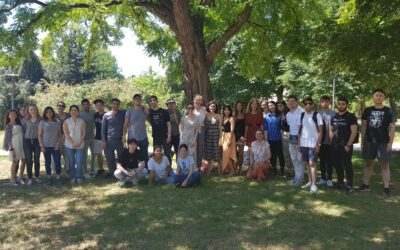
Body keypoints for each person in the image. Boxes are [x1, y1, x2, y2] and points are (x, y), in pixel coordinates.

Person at [359, 89, 396, 197]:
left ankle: (386, 188)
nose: (378, 97)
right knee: (368, 163)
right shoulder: (367, 110)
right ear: (373, 97)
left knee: (384, 165)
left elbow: (392, 128)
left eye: (380, 96)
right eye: (376, 95)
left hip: (384, 142)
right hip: (369, 142)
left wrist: (390, 143)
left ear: (383, 98)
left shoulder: (389, 111)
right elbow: (364, 126)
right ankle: (365, 185)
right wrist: (362, 139)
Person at [329, 97, 358, 193]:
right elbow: (332, 130)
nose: (341, 105)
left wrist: (348, 145)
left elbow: (354, 132)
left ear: (346, 105)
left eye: (343, 104)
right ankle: (340, 182)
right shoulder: (334, 116)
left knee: (347, 165)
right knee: (337, 165)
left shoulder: (350, 116)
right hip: (335, 145)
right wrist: (330, 143)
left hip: (345, 145)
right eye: (339, 103)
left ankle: (349, 185)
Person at [298, 97, 323, 194]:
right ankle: (309, 181)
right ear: (303, 105)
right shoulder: (301, 115)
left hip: (314, 143)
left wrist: (318, 144)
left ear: (313, 104)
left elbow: (321, 131)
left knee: (312, 163)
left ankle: (314, 184)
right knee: (307, 163)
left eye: (309, 103)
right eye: (305, 104)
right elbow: (300, 130)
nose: (308, 105)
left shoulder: (317, 115)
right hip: (303, 143)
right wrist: (298, 143)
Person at [102, 98, 126, 178]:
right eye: (114, 104)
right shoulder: (106, 115)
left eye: (117, 104)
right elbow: (103, 129)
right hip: (109, 140)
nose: (115, 105)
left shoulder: (123, 113)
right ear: (111, 104)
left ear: (119, 105)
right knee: (110, 159)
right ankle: (113, 175)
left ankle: (122, 174)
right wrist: (104, 141)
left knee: (122, 158)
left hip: (120, 140)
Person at [38, 106, 62, 185]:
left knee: (57, 162)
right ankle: (49, 178)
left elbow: (59, 135)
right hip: (46, 146)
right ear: (45, 113)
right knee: (47, 162)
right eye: (47, 112)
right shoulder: (42, 122)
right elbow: (39, 135)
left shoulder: (57, 122)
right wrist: (42, 146)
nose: (49, 113)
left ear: (53, 113)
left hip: (55, 146)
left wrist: (58, 144)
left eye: (50, 112)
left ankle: (58, 178)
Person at [123, 94, 149, 164]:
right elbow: (125, 124)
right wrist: (124, 136)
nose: (137, 100)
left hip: (143, 137)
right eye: (136, 99)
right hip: (132, 138)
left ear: (141, 100)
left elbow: (148, 118)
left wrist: (146, 110)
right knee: (132, 156)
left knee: (144, 155)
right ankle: (131, 170)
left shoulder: (144, 110)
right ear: (133, 101)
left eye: (139, 98)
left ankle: (146, 171)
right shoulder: (129, 110)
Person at [64, 105, 86, 184]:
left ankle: (79, 177)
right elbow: (66, 134)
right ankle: (73, 177)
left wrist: (79, 143)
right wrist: (73, 143)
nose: (74, 111)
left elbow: (84, 133)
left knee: (79, 161)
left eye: (76, 110)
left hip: (80, 144)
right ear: (70, 112)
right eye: (72, 110)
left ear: (78, 112)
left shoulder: (82, 121)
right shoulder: (66, 121)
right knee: (71, 161)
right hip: (69, 145)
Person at [316, 96, 335, 188]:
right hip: (321, 142)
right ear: (320, 103)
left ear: (329, 102)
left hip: (331, 142)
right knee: (322, 161)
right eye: (322, 101)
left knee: (330, 161)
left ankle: (329, 179)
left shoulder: (334, 113)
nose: (325, 103)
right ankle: (323, 178)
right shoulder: (317, 114)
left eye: (326, 101)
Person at [286, 95, 304, 186]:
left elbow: (301, 127)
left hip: (300, 138)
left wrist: (299, 142)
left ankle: (299, 180)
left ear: (297, 102)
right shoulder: (288, 114)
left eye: (293, 101)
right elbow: (290, 127)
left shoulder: (302, 112)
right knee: (294, 159)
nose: (291, 103)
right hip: (291, 137)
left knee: (299, 159)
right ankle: (296, 177)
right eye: (289, 101)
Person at [3, 110, 25, 186]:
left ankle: (20, 177)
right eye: (11, 114)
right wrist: (11, 149)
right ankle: (12, 180)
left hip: (21, 144)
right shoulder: (8, 126)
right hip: (14, 145)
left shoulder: (19, 124)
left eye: (14, 114)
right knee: (15, 162)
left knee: (23, 160)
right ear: (8, 116)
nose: (13, 115)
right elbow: (8, 139)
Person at [22, 103, 42, 185]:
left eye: (34, 109)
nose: (32, 111)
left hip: (37, 141)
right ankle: (30, 178)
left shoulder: (40, 119)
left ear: (36, 109)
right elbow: (23, 131)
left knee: (37, 160)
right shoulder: (25, 119)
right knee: (29, 160)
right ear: (28, 111)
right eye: (31, 109)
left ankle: (37, 176)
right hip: (27, 141)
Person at [264, 101, 285, 176]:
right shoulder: (266, 117)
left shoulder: (280, 115)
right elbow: (266, 129)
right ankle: (274, 169)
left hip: (279, 138)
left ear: (275, 106)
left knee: (280, 154)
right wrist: (266, 140)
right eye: (269, 106)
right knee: (272, 155)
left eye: (272, 105)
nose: (271, 107)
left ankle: (282, 169)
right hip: (270, 139)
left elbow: (283, 126)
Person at [148, 95, 172, 162]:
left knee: (167, 154)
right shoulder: (149, 112)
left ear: (157, 101)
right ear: (149, 103)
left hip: (165, 136)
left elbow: (169, 124)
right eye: (151, 101)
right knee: (156, 154)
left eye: (154, 100)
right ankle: (157, 169)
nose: (152, 101)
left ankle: (169, 170)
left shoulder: (164, 111)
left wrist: (169, 136)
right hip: (156, 137)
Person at [204, 101, 222, 174]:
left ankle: (219, 170)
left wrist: (220, 138)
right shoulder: (206, 115)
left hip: (216, 136)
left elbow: (220, 127)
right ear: (208, 107)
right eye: (211, 106)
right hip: (208, 136)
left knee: (217, 152)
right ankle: (209, 170)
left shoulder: (218, 115)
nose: (212, 107)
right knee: (208, 153)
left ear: (216, 107)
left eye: (214, 106)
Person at [277, 100, 293, 176]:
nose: (279, 107)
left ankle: (294, 170)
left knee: (291, 152)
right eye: (278, 106)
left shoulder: (288, 113)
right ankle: (290, 170)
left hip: (289, 133)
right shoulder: (280, 113)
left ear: (284, 105)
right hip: (283, 133)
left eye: (281, 105)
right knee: (286, 153)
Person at [80, 98, 95, 178]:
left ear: (89, 105)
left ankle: (92, 170)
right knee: (84, 155)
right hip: (84, 138)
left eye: (87, 104)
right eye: (84, 105)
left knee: (93, 154)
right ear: (82, 106)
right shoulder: (79, 114)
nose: (86, 106)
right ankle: (85, 171)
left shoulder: (93, 114)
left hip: (92, 137)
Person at [221, 105, 236, 176]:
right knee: (226, 153)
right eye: (225, 110)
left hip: (230, 136)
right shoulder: (223, 118)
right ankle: (228, 169)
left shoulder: (231, 118)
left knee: (227, 153)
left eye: (228, 110)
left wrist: (229, 139)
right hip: (224, 136)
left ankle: (232, 170)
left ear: (230, 111)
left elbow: (232, 129)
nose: (226, 111)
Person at [56, 101, 70, 174]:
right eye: (59, 105)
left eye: (62, 106)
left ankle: (68, 170)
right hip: (56, 137)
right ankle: (57, 172)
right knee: (57, 154)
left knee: (67, 154)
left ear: (64, 107)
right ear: (57, 106)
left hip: (66, 136)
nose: (60, 107)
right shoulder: (54, 115)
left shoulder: (68, 115)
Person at [194, 94, 207, 170]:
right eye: (197, 100)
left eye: (200, 100)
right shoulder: (191, 108)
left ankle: (198, 166)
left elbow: (208, 118)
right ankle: (193, 165)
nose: (198, 101)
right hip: (193, 129)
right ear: (194, 100)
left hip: (201, 129)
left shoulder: (204, 109)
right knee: (193, 147)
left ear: (201, 101)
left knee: (200, 147)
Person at [93, 99, 106, 176]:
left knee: (108, 155)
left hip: (106, 138)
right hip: (97, 137)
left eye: (100, 105)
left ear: (103, 106)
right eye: (97, 105)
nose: (98, 106)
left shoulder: (107, 114)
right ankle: (100, 169)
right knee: (99, 155)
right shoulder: (95, 115)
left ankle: (111, 170)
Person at [233, 101, 246, 173]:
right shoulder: (233, 115)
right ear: (236, 106)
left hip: (242, 137)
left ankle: (240, 168)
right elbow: (233, 128)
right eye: (238, 105)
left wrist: (243, 136)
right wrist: (237, 137)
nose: (239, 107)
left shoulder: (245, 115)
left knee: (241, 154)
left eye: (240, 105)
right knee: (234, 153)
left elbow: (245, 127)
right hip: (234, 137)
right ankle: (235, 168)